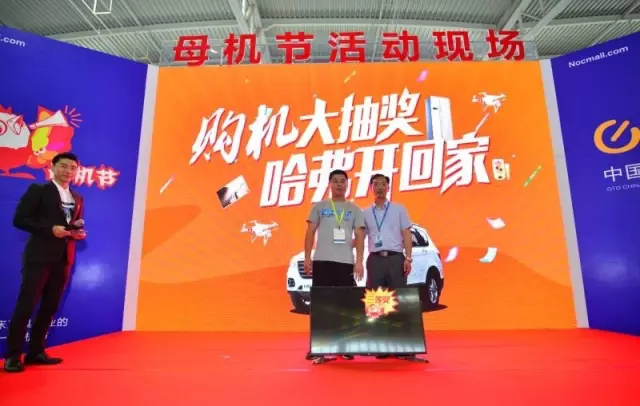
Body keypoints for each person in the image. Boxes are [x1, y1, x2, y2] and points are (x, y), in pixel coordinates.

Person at [3, 152, 87, 373]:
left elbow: (71, 226)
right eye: (63, 166)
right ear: (53, 167)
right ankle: (13, 355)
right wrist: (50, 229)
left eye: (72, 168)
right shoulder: (38, 190)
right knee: (26, 305)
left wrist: (76, 233)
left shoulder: (77, 197)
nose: (68, 171)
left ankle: (35, 351)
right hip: (38, 257)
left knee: (50, 306)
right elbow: (20, 219)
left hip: (64, 259)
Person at [304, 169, 365, 363]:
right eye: (335, 181)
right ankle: (318, 347)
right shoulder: (320, 206)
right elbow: (310, 232)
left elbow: (360, 236)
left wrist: (359, 261)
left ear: (347, 184)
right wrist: (307, 257)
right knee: (321, 304)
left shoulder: (354, 209)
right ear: (330, 184)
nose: (339, 184)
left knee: (344, 305)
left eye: (342, 181)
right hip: (322, 260)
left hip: (345, 262)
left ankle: (344, 346)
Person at [362, 173, 418, 360]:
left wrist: (408, 258)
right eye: (376, 184)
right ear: (371, 188)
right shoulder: (365, 213)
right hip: (375, 260)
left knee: (399, 300)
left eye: (383, 184)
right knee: (377, 302)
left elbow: (406, 233)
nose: (379, 187)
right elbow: (361, 238)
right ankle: (381, 345)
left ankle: (403, 345)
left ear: (388, 187)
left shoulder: (399, 209)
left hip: (395, 259)